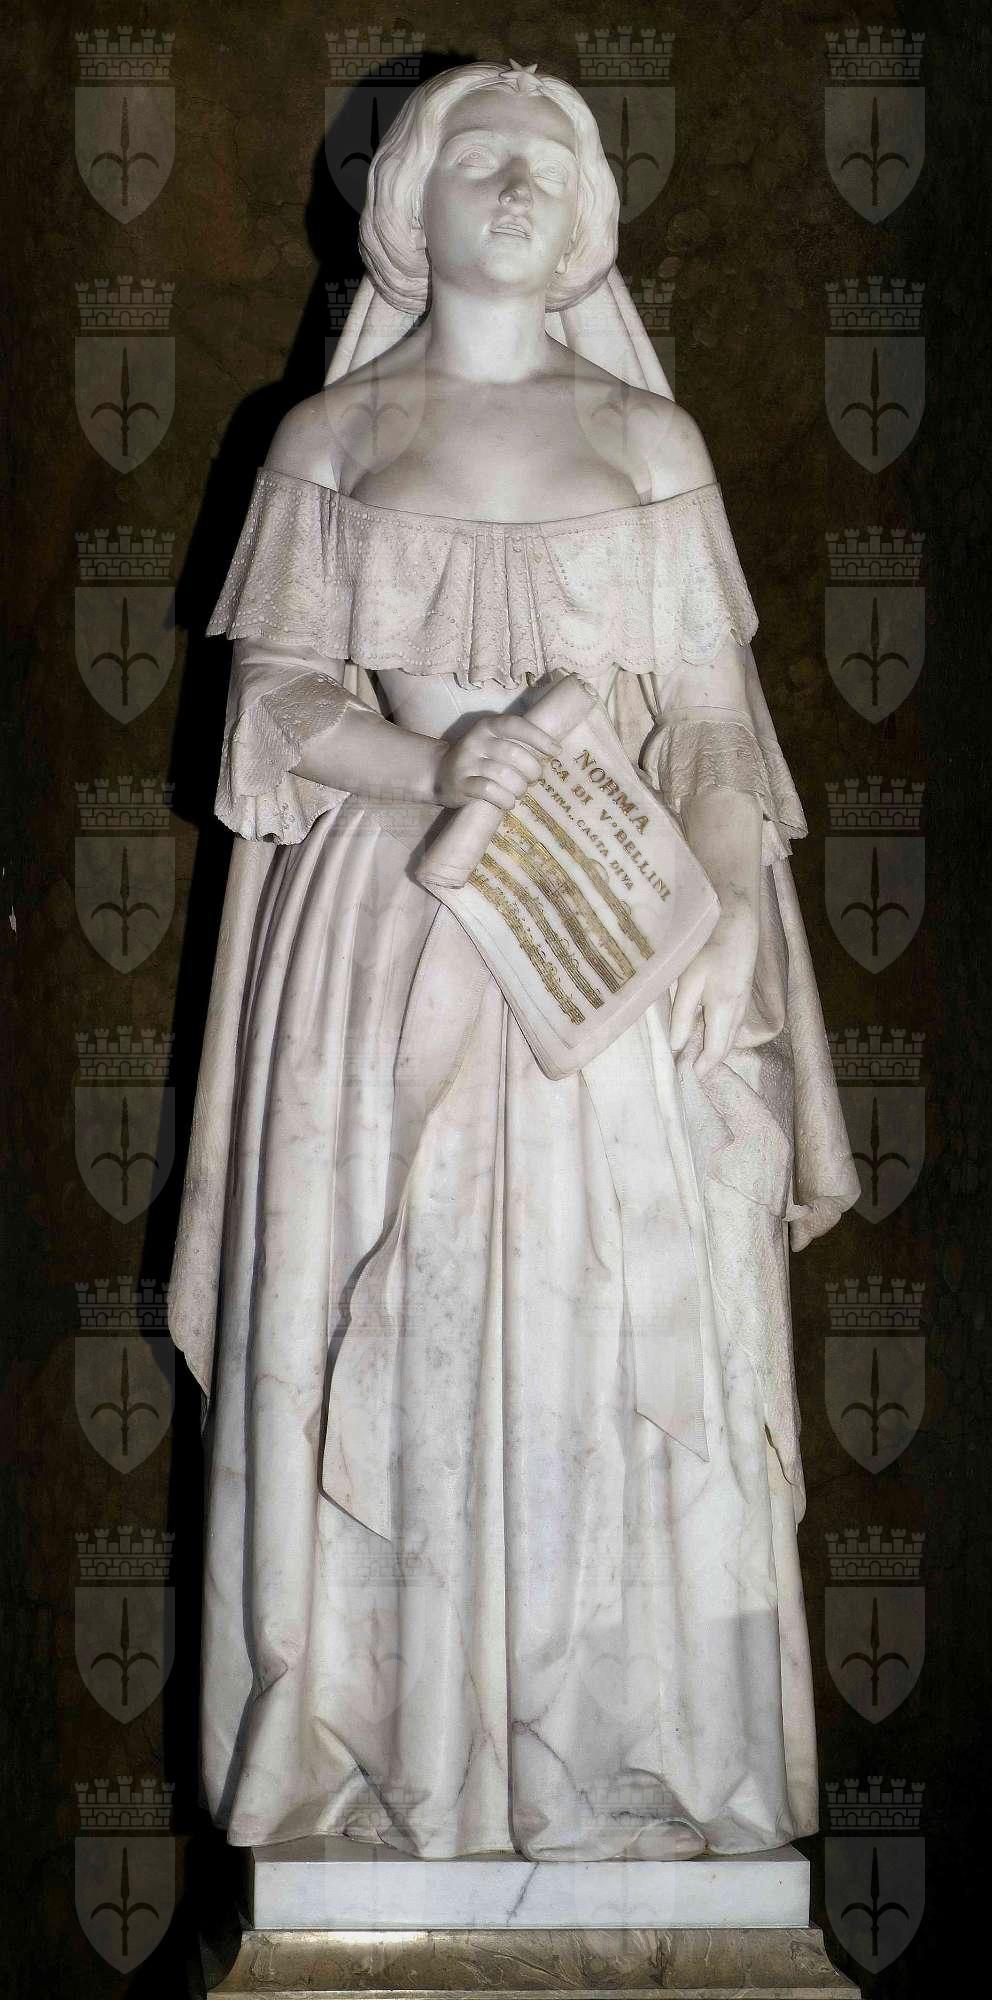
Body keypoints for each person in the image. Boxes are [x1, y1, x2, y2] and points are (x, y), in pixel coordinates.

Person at [168, 59, 860, 1861]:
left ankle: (621, 1759)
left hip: (612, 930)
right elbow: (274, 710)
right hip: (392, 927)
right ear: (406, 195)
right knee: (397, 1319)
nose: (516, 182)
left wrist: (727, 905)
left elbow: (716, 727)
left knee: (617, 1326)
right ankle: (392, 1758)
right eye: (479, 154)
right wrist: (439, 766)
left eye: (550, 159)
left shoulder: (651, 444)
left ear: (592, 216)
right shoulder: (332, 440)